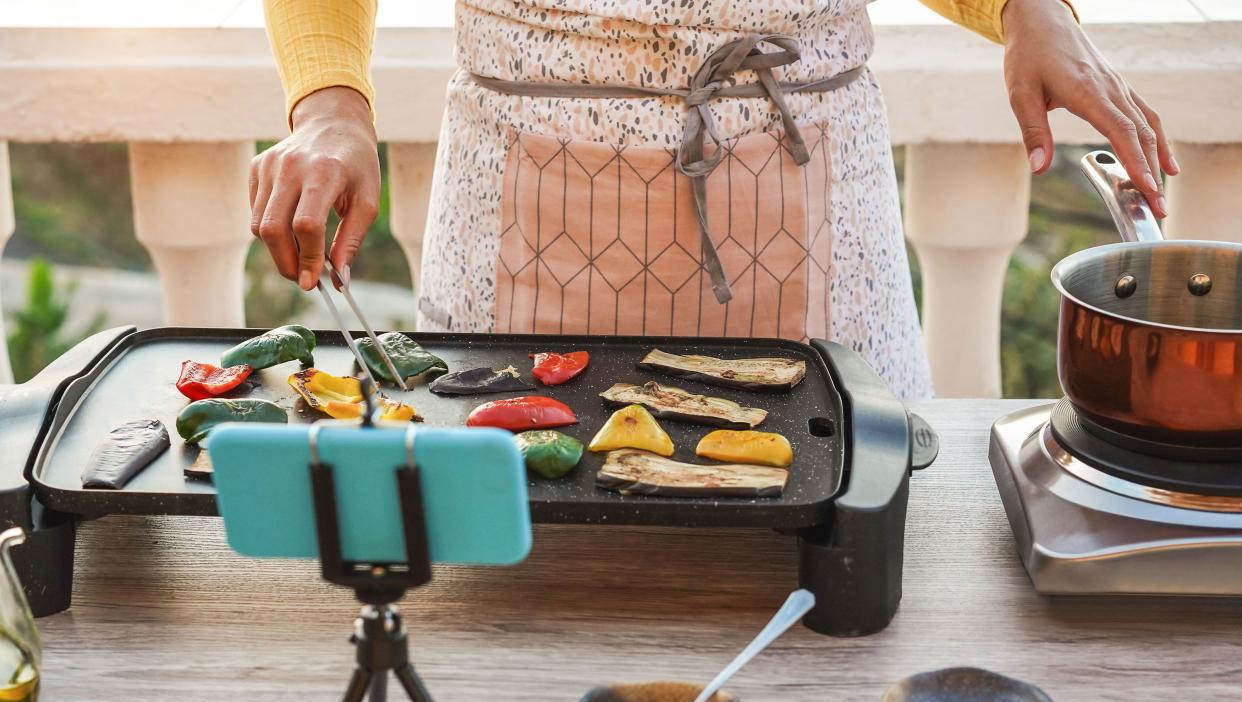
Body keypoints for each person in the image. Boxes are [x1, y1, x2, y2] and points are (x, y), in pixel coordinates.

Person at [252, 0, 1176, 399]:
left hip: (813, 193)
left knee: (846, 545)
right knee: (520, 577)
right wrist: (330, 97)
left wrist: (1029, 10)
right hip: (513, 204)